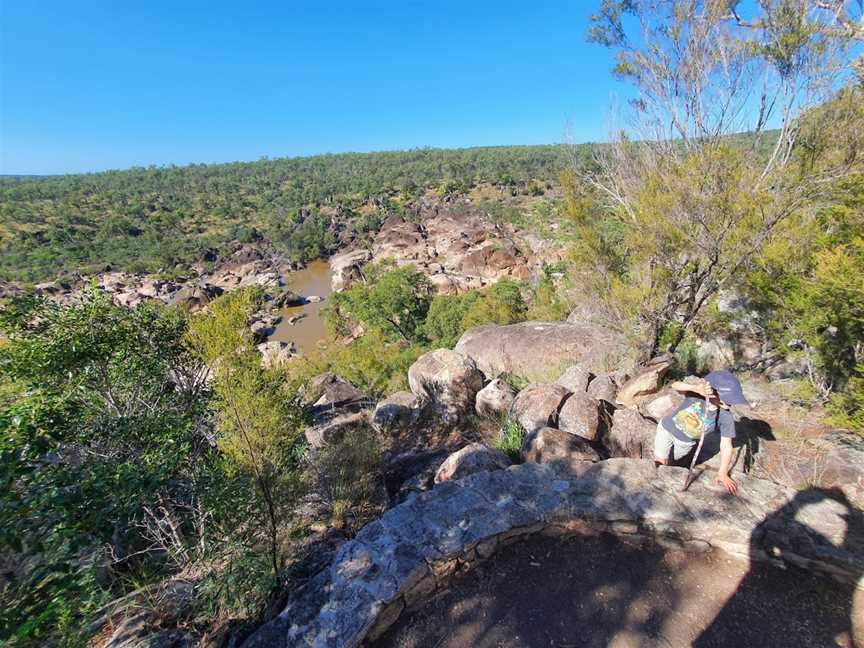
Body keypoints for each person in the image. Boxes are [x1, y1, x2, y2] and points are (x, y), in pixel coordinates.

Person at [653, 369, 749, 494]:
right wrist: (695, 388)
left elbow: (726, 445)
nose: (730, 403)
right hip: (666, 429)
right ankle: (657, 487)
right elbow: (675, 385)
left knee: (671, 462)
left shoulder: (725, 417)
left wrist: (723, 472)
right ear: (713, 392)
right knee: (661, 462)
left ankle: (668, 474)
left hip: (685, 443)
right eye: (728, 399)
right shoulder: (696, 395)